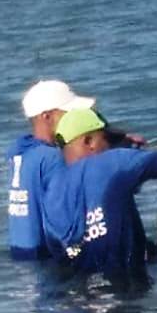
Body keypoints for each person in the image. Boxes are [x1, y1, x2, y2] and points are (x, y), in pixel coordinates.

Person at [41, 107, 157, 278]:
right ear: (89, 141)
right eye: (107, 139)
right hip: (127, 289)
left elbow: (62, 252)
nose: (110, 146)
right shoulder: (111, 163)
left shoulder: (50, 190)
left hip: (79, 294)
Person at [6, 80, 92, 260]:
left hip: (21, 253)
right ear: (46, 116)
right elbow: (61, 219)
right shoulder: (52, 158)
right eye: (68, 112)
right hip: (45, 258)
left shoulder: (19, 150)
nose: (74, 117)